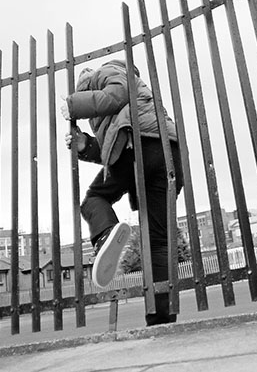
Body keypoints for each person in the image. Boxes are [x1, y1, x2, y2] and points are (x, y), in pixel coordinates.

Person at [61, 58, 183, 326]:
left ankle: (105, 234)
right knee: (158, 241)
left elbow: (118, 93)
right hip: (166, 153)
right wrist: (84, 145)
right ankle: (161, 318)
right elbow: (110, 148)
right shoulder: (104, 111)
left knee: (95, 198)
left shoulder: (108, 72)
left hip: (140, 147)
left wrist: (73, 106)